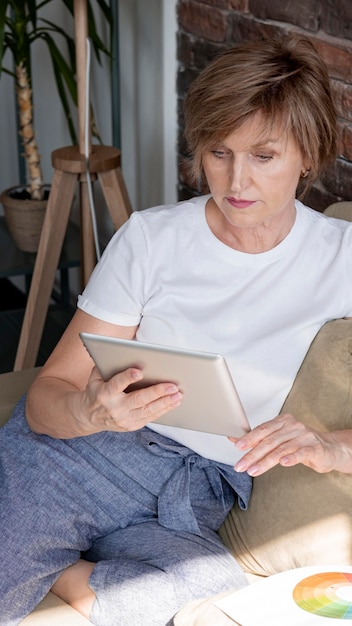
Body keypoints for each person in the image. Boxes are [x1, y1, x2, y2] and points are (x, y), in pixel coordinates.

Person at [1, 34, 352, 626]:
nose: (236, 181)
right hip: (92, 454)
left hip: (198, 493)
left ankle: (55, 567)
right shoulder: (152, 238)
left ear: (307, 156)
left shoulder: (341, 257)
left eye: (263, 157)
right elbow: (45, 399)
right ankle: (41, 557)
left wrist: (329, 447)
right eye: (219, 153)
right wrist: (91, 413)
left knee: (215, 597)